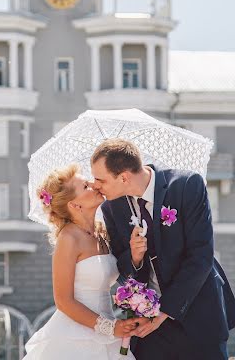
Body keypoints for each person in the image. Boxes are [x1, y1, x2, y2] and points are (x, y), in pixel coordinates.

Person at [90, 138, 235, 360]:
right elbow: (121, 267)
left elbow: (201, 256)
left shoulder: (187, 185)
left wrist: (164, 312)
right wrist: (135, 257)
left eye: (100, 180)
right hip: (149, 330)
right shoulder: (112, 207)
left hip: (197, 314)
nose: (95, 186)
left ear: (124, 177)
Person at [24, 163, 138, 359]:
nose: (94, 185)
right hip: (75, 337)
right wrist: (110, 328)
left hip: (110, 331)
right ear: (75, 205)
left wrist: (135, 254)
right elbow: (63, 301)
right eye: (85, 186)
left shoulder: (101, 232)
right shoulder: (69, 238)